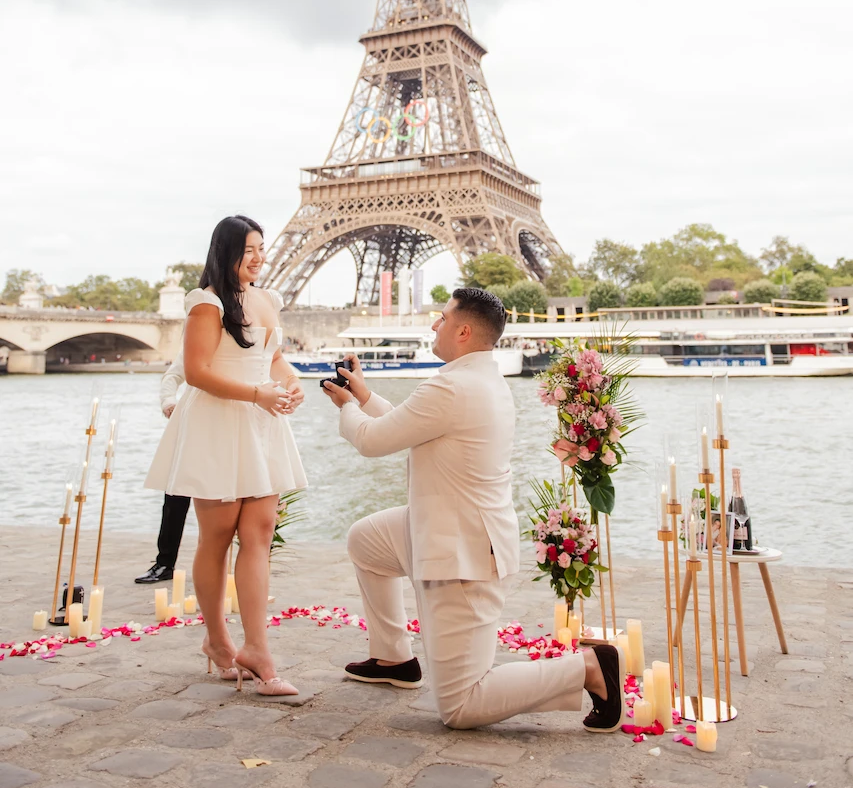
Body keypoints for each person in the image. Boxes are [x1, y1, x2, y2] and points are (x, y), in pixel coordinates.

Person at [322, 287, 625, 732]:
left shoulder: (451, 386)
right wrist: (366, 398)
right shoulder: (478, 379)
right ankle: (394, 657)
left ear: (462, 330)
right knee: (365, 541)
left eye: (441, 318)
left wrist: (348, 406)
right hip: (443, 524)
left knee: (461, 706)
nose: (433, 324)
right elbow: (412, 424)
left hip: (460, 548)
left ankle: (588, 669)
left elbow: (372, 440)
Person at [145, 214, 306, 695]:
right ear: (227, 251)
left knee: (259, 531)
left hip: (259, 423)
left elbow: (274, 359)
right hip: (218, 421)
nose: (259, 257)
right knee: (216, 535)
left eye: (262, 248)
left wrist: (292, 386)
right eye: (250, 249)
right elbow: (195, 372)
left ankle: (257, 646)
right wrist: (257, 394)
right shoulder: (206, 304)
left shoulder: (266, 300)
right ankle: (217, 640)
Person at [135, 353, 191, 584]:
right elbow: (173, 376)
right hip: (193, 425)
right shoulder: (199, 335)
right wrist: (169, 402)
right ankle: (165, 562)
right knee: (175, 495)